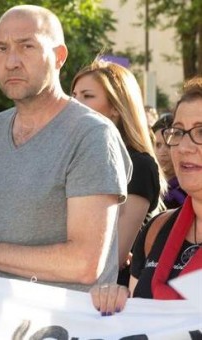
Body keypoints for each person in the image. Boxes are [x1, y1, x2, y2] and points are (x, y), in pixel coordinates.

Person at [0, 5, 131, 291]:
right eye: (1, 48)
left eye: (27, 46)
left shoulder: (92, 135)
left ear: (59, 57)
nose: (11, 61)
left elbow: (85, 263)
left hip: (67, 328)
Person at [90, 77, 202, 316]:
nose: (183, 147)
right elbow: (137, 321)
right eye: (179, 131)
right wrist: (118, 301)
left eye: (201, 132)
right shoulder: (156, 229)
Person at [71, 59, 164, 284]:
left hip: (107, 301)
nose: (74, 104)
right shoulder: (73, 159)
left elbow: (113, 257)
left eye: (87, 96)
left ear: (116, 107)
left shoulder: (140, 166)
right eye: (73, 96)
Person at [152, 114, 187, 208]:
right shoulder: (147, 184)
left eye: (168, 145)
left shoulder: (191, 189)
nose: (162, 152)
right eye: (158, 145)